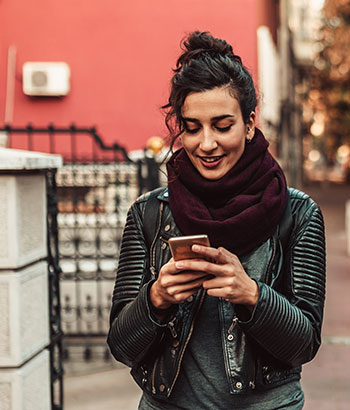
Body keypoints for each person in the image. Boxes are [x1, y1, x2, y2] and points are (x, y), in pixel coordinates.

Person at [107, 31, 326, 410]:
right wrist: (156, 298)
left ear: (250, 122)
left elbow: (303, 344)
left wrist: (252, 295)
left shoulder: (298, 214)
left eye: (222, 126)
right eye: (192, 128)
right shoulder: (149, 214)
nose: (206, 144)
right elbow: (122, 346)